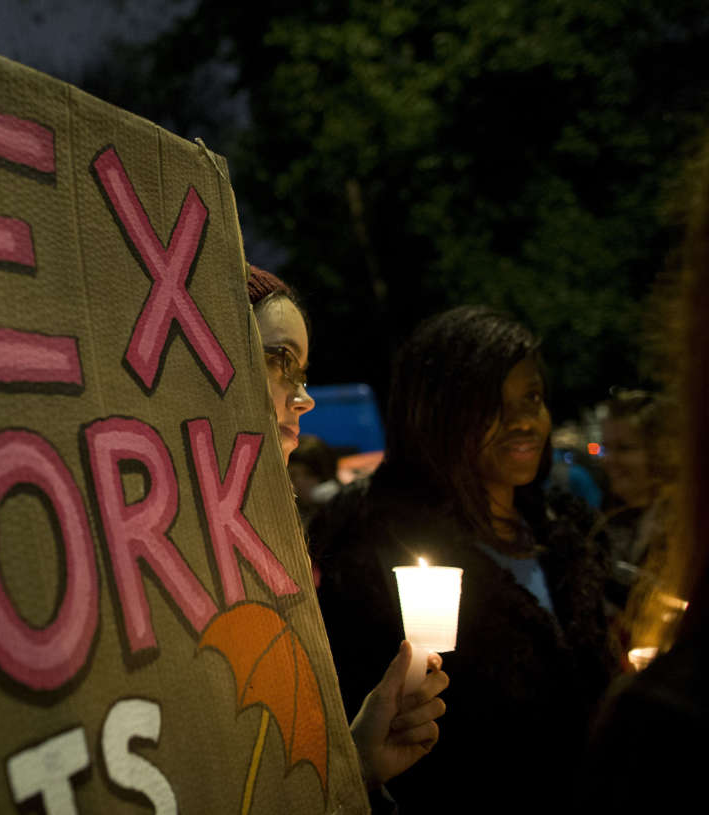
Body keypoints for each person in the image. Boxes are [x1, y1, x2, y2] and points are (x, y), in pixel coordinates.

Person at [308, 305, 616, 814]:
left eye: (533, 397)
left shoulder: (569, 535)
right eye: (491, 404)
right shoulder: (374, 553)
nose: (523, 422)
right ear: (436, 414)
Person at [246, 265, 448, 806]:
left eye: (303, 370)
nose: (303, 398)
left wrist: (355, 768)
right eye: (279, 359)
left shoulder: (276, 544)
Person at [574, 133, 709, 812]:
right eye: (610, 448)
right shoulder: (606, 526)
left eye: (627, 449)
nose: (614, 462)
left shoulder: (669, 721)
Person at [595, 389, 676, 625]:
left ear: (662, 452)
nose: (608, 460)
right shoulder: (607, 518)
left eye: (624, 448)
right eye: (606, 448)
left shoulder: (689, 526)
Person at [287, 434, 341, 531]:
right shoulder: (290, 515)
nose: (298, 482)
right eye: (291, 476)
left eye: (293, 476)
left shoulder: (344, 509)